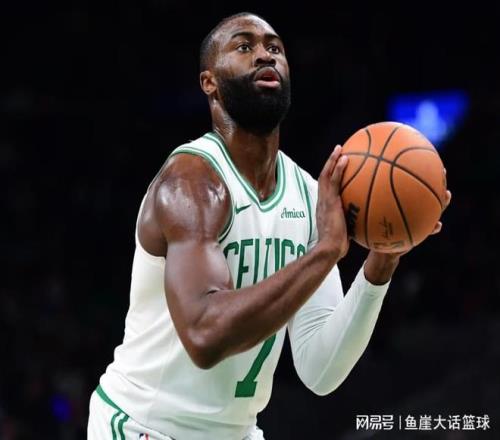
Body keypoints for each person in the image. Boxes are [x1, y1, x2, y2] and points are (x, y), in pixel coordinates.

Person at [87, 12, 450, 440]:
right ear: (209, 83)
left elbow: (321, 369)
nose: (265, 55)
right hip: (144, 426)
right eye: (244, 46)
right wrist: (325, 252)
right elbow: (204, 335)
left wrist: (382, 263)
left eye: (274, 47)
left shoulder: (308, 195)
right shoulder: (191, 184)